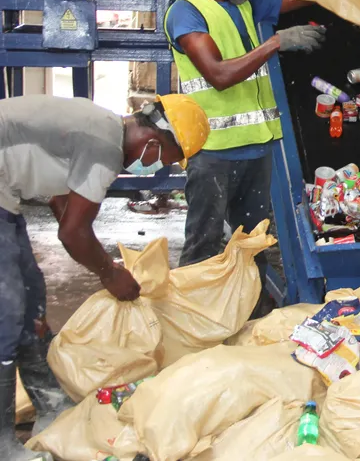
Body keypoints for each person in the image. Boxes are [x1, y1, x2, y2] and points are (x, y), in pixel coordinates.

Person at [0, 94, 209, 461]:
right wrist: (108, 273)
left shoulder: (101, 128)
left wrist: (95, 254)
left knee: (30, 296)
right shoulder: (105, 147)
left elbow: (61, 203)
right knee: (6, 310)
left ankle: (51, 405)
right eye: (165, 160)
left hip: (5, 194)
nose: (156, 168)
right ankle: (3, 443)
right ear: (152, 144)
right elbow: (72, 234)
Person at [164, 0, 324, 268]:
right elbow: (218, 75)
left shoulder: (247, 3)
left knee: (252, 246)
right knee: (204, 249)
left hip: (256, 149)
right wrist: (275, 43)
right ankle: (194, 304)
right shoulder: (187, 12)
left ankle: (251, 303)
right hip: (212, 153)